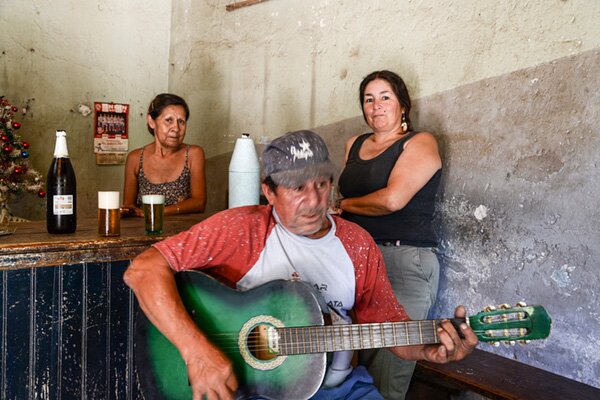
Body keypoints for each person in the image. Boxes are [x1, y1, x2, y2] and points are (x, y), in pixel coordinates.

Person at [124, 130, 476, 400]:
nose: (312, 201)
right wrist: (197, 351)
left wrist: (429, 349)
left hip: (341, 390)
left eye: (322, 185)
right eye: (296, 188)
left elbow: (391, 329)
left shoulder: (356, 244)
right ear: (269, 191)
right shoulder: (241, 229)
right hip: (257, 391)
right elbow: (143, 270)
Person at [336, 70, 443, 399]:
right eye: (369, 99)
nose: (376, 105)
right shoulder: (354, 144)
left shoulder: (420, 142)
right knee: (353, 366)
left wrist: (342, 205)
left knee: (387, 373)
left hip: (404, 261)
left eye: (385, 97)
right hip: (357, 262)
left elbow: (393, 200)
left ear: (403, 106)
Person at [121, 93, 206, 217]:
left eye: (181, 122)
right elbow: (129, 206)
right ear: (151, 122)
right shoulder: (135, 158)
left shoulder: (193, 154)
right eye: (169, 120)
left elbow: (199, 203)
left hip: (184, 233)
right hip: (146, 231)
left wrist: (158, 212)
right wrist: (129, 211)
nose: (176, 128)